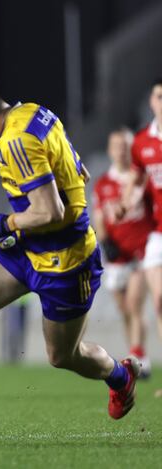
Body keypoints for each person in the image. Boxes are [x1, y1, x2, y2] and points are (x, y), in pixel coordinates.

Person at [0, 71, 140, 449]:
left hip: (65, 259)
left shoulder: (16, 139)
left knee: (63, 356)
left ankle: (119, 376)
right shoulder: (34, 112)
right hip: (29, 246)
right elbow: (76, 171)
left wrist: (3, 222)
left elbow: (49, 211)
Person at [93, 128, 155, 377]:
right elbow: (99, 216)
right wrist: (104, 240)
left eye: (125, 146)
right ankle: (137, 353)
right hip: (117, 254)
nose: (121, 151)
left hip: (142, 250)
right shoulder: (104, 183)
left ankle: (138, 354)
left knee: (134, 304)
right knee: (125, 311)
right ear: (110, 150)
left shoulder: (143, 179)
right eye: (116, 146)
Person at [120, 78, 162, 382]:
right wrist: (126, 202)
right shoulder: (142, 142)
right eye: (159, 97)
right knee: (158, 300)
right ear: (151, 101)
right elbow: (136, 182)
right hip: (157, 233)